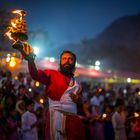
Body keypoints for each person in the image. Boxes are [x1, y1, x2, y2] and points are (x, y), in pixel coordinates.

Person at [17, 42, 86, 140]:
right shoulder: (51, 74)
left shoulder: (78, 85)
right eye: (64, 59)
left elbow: (81, 103)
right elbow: (35, 74)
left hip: (74, 123)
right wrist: (30, 60)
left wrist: (79, 100)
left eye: (70, 59)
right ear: (60, 62)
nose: (67, 61)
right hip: (55, 118)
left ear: (74, 63)